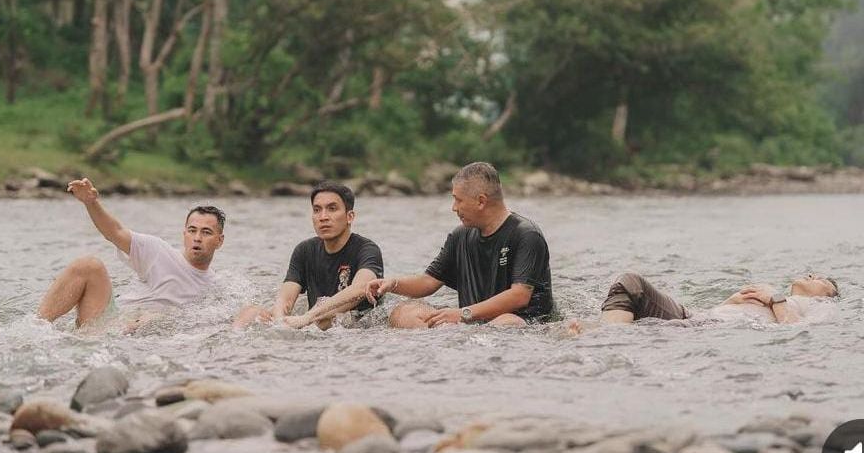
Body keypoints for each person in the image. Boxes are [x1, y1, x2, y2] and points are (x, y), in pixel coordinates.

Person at [366, 161, 556, 328]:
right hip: (471, 323)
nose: (454, 207)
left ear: (481, 201)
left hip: (521, 322)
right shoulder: (460, 236)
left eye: (458, 200)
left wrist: (463, 314)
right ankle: (439, 345)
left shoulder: (526, 234)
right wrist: (392, 284)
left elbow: (519, 296)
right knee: (403, 312)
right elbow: (428, 282)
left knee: (507, 321)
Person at [38, 178, 225, 330]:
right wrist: (91, 203)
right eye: (192, 230)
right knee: (89, 265)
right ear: (184, 234)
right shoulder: (158, 251)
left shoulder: (216, 287)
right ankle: (35, 329)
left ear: (220, 240)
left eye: (206, 232)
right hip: (106, 323)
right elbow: (115, 232)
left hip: (142, 340)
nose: (197, 238)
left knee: (157, 318)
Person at [233, 182, 384, 330]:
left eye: (332, 209)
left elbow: (360, 289)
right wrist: (279, 324)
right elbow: (285, 300)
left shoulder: (367, 249)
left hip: (355, 327)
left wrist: (308, 317)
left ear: (349, 216)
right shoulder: (305, 250)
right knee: (251, 312)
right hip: (313, 322)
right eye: (317, 210)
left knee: (326, 320)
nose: (323, 217)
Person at [567, 271, 839, 333]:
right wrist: (729, 301)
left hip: (705, 329)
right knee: (629, 282)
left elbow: (797, 332)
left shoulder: (820, 307)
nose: (812, 275)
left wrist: (775, 299)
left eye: (822, 280)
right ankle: (608, 335)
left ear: (827, 295)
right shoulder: (778, 293)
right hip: (700, 316)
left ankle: (602, 336)